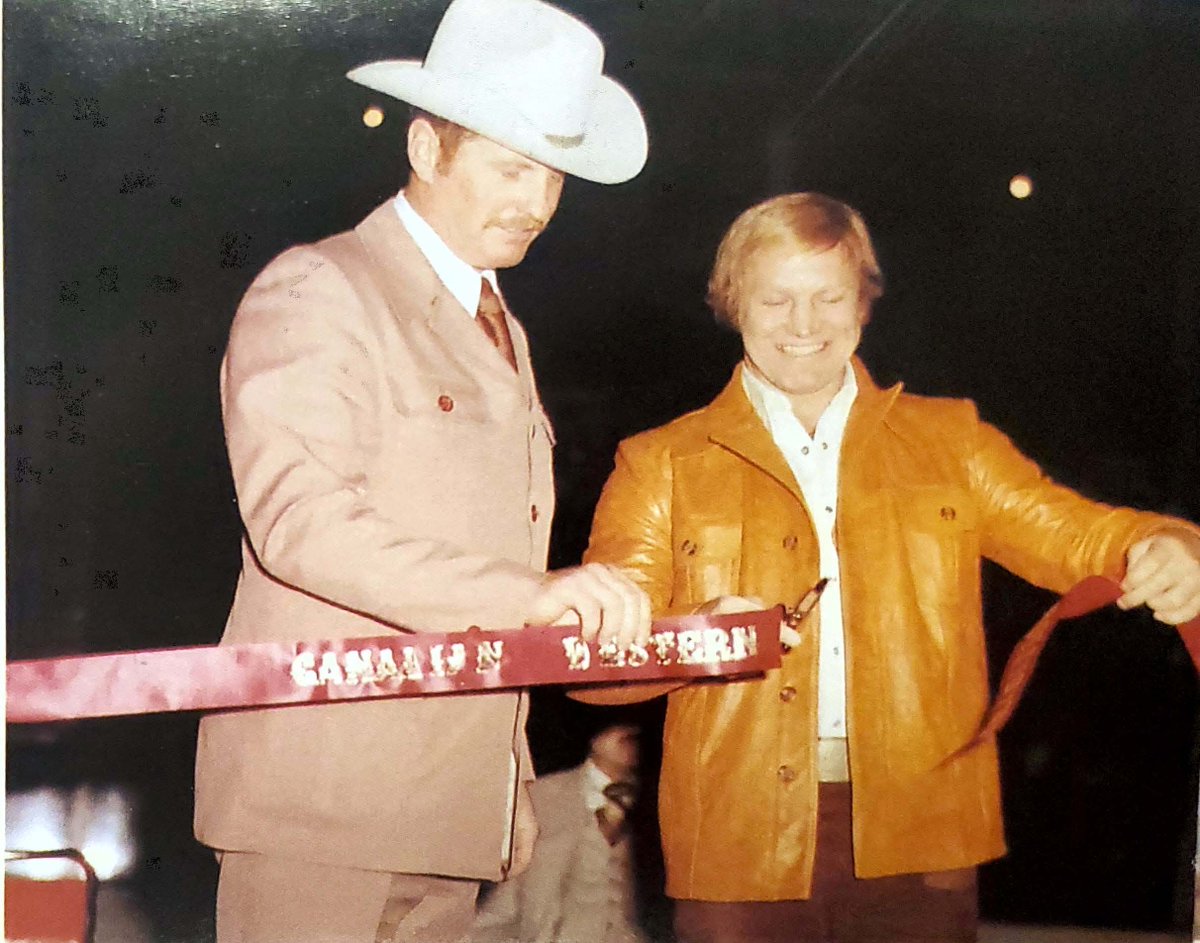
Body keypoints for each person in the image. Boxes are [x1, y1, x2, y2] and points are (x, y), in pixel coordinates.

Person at [580, 192, 1200, 943]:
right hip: (736, 840)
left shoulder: (951, 441)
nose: (803, 324)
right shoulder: (660, 463)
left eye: (828, 296)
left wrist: (1169, 543)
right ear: (733, 303)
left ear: (863, 303)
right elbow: (595, 663)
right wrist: (699, 637)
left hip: (925, 833)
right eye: (776, 299)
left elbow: (1076, 534)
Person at [192, 1, 652, 941]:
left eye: (553, 174)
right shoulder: (323, 286)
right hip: (321, 811)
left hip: (452, 815)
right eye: (511, 167)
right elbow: (300, 524)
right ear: (426, 148)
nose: (537, 201)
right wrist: (532, 596)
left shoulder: (503, 327)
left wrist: (506, 783)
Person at [472, 721, 652, 943]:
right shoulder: (543, 794)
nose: (630, 734)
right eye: (619, 727)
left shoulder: (656, 802)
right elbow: (508, 893)